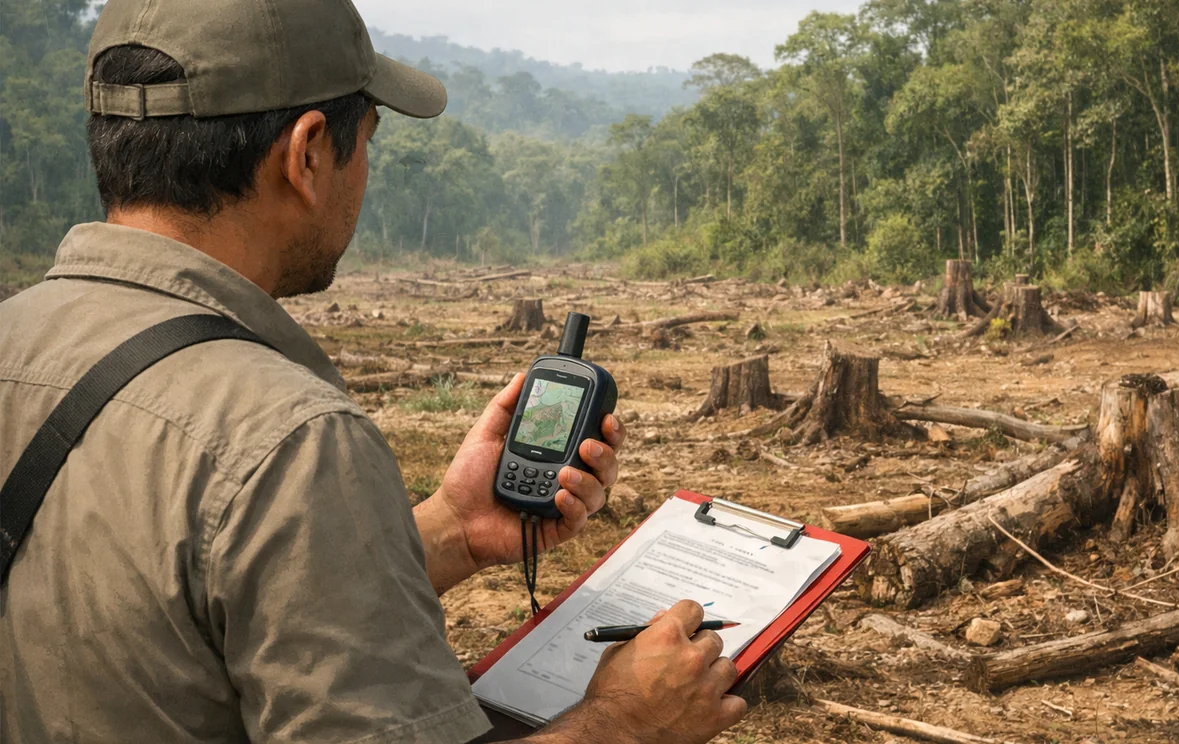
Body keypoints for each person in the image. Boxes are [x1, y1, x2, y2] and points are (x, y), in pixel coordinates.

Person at [0, 0, 748, 741]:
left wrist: (455, 527)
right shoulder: (288, 437)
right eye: (369, 141)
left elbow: (173, 622)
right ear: (308, 154)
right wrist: (624, 722)